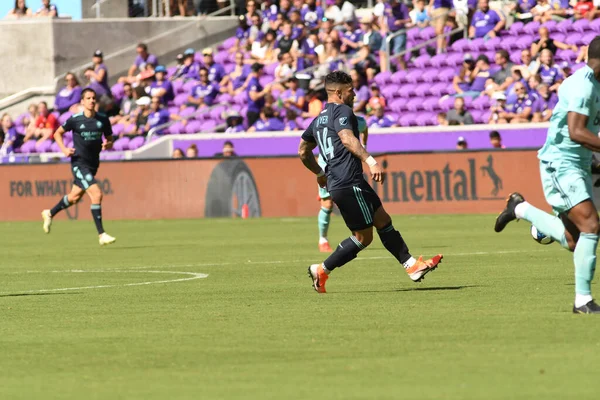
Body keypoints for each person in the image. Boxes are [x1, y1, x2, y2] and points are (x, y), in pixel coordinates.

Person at [298, 71, 443, 293]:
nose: (354, 94)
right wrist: (370, 160)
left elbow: (302, 151)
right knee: (363, 238)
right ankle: (322, 269)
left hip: (342, 182)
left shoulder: (317, 121)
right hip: (348, 181)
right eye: (350, 90)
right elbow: (347, 138)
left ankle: (411, 265)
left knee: (382, 220)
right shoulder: (343, 111)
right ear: (338, 92)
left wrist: (319, 173)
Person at [494, 36, 600, 314]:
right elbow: (577, 132)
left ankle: (520, 208)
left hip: (580, 163)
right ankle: (583, 301)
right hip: (561, 164)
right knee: (591, 224)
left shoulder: (594, 83)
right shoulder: (583, 86)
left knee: (575, 239)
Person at [41, 88, 116, 246]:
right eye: (88, 98)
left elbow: (110, 139)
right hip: (79, 163)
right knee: (96, 194)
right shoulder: (75, 119)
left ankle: (49, 213)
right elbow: (57, 133)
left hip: (93, 164)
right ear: (82, 101)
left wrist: (108, 144)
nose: (92, 101)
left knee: (74, 197)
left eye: (94, 98)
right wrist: (64, 149)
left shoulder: (103, 119)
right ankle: (101, 234)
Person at [314, 114, 368, 253]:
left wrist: (364, 145)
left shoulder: (354, 120)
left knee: (351, 198)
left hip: (345, 167)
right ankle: (323, 239)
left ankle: (357, 234)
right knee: (327, 203)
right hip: (326, 164)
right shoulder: (325, 120)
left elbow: (365, 128)